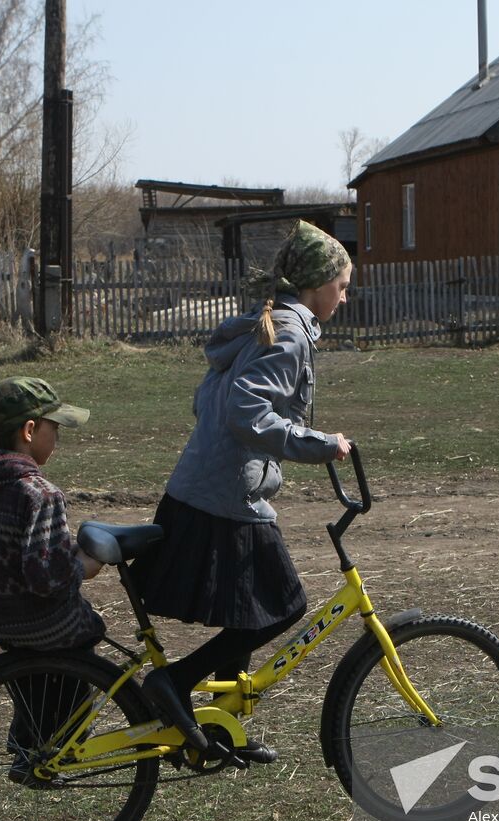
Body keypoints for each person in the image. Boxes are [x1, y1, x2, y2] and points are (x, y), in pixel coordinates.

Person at [130, 220, 353, 765]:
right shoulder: (290, 333)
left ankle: (223, 725)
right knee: (282, 606)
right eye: (342, 286)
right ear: (316, 284)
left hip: (203, 486)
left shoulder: (262, 324)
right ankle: (174, 683)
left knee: (247, 610)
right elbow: (245, 411)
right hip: (227, 499)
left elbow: (207, 402)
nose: (345, 297)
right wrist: (321, 444)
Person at [0, 376, 105, 782]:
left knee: (34, 668)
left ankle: (27, 738)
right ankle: (63, 743)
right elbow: (47, 580)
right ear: (30, 430)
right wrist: (85, 565)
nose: (58, 438)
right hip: (45, 623)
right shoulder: (39, 493)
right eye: (56, 428)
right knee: (89, 632)